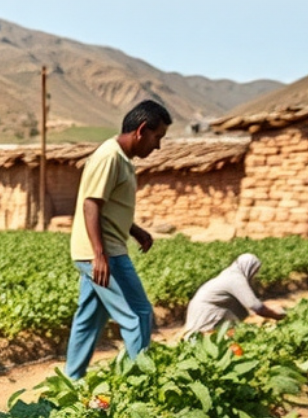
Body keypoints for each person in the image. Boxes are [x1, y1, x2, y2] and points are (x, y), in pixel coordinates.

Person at [64, 99, 172, 379]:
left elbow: (109, 205)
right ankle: (140, 384)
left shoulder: (122, 159)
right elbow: (91, 204)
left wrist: (135, 230)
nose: (158, 146)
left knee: (89, 319)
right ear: (142, 130)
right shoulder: (109, 156)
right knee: (139, 315)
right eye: (157, 137)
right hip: (104, 253)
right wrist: (100, 255)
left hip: (100, 250)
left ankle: (71, 381)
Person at [182, 253, 285, 336]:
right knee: (198, 338)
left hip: (201, 306)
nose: (254, 275)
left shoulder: (231, 274)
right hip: (205, 310)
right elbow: (255, 306)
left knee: (212, 337)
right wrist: (278, 316)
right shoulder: (236, 279)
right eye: (255, 271)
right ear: (249, 268)